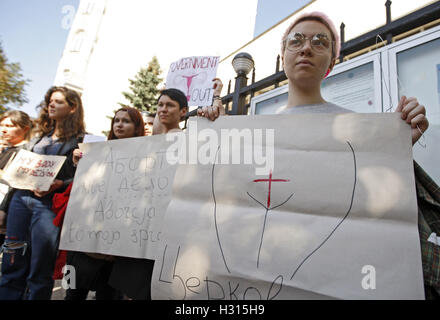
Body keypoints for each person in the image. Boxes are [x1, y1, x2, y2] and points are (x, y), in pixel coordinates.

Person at [278, 11, 429, 145]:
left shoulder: (357, 127)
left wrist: (399, 144)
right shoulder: (260, 133)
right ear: (283, 59)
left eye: (319, 42)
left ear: (331, 63)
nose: (306, 48)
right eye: (295, 41)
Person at [0, 86, 86, 300]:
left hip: (49, 207)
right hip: (20, 201)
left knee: (40, 267)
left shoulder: (81, 141)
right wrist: (4, 208)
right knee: (12, 260)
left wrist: (61, 183)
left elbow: (85, 177)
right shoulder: (36, 140)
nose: (51, 104)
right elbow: (17, 176)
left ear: (73, 107)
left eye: (58, 101)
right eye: (50, 101)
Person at [65, 106, 145, 300]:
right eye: (116, 120)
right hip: (83, 242)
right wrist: (78, 164)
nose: (119, 124)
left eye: (126, 121)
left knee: (109, 296)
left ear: (136, 127)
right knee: (73, 294)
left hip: (117, 246)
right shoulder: (95, 151)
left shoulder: (146, 156)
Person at [0, 111, 33, 246]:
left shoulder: (27, 152)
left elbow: (15, 183)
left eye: (9, 126)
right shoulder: (5, 149)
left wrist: (3, 209)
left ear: (25, 128)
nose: (4, 130)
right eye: (2, 125)